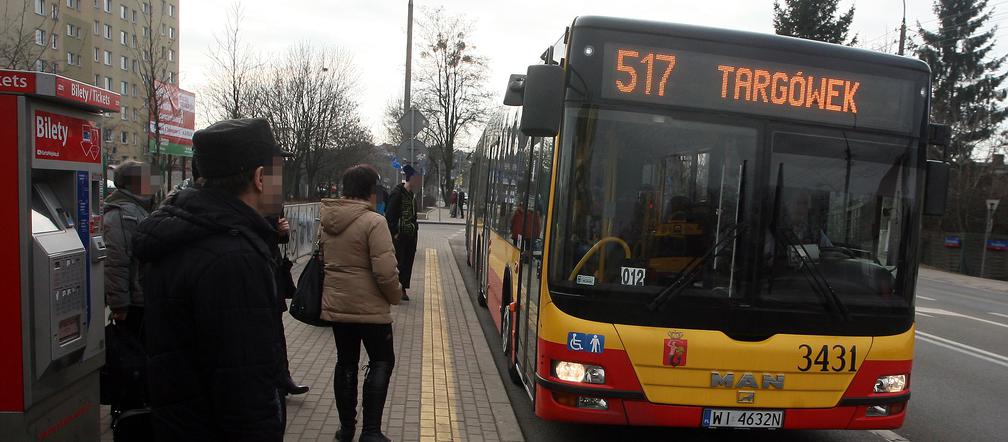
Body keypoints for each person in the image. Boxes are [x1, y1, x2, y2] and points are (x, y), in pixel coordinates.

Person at [133, 118, 288, 441]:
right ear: (260, 178)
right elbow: (244, 384)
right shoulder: (234, 257)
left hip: (180, 422)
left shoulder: (181, 234)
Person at [319, 165, 402, 442]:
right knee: (381, 360)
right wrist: (395, 295)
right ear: (371, 190)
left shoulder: (328, 219)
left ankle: (346, 429)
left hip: (338, 307)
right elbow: (385, 271)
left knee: (346, 364)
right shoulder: (374, 222)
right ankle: (371, 431)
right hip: (371, 309)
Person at [102, 160, 155, 416]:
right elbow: (117, 262)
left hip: (141, 297)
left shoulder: (138, 209)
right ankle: (127, 412)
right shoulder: (122, 213)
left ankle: (137, 406)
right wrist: (120, 304)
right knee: (129, 360)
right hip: (132, 303)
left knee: (140, 360)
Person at [267, 215, 310, 397]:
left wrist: (282, 232)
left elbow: (279, 238)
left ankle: (283, 378)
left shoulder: (268, 202)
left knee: (276, 331)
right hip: (258, 274)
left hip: (271, 271)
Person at [385, 164, 420, 301]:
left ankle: (403, 288)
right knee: (398, 263)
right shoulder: (397, 193)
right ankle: (396, 289)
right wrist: (394, 233)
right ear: (410, 178)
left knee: (408, 262)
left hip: (410, 235)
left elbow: (414, 215)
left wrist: (415, 229)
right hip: (399, 236)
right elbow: (389, 214)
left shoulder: (412, 195)